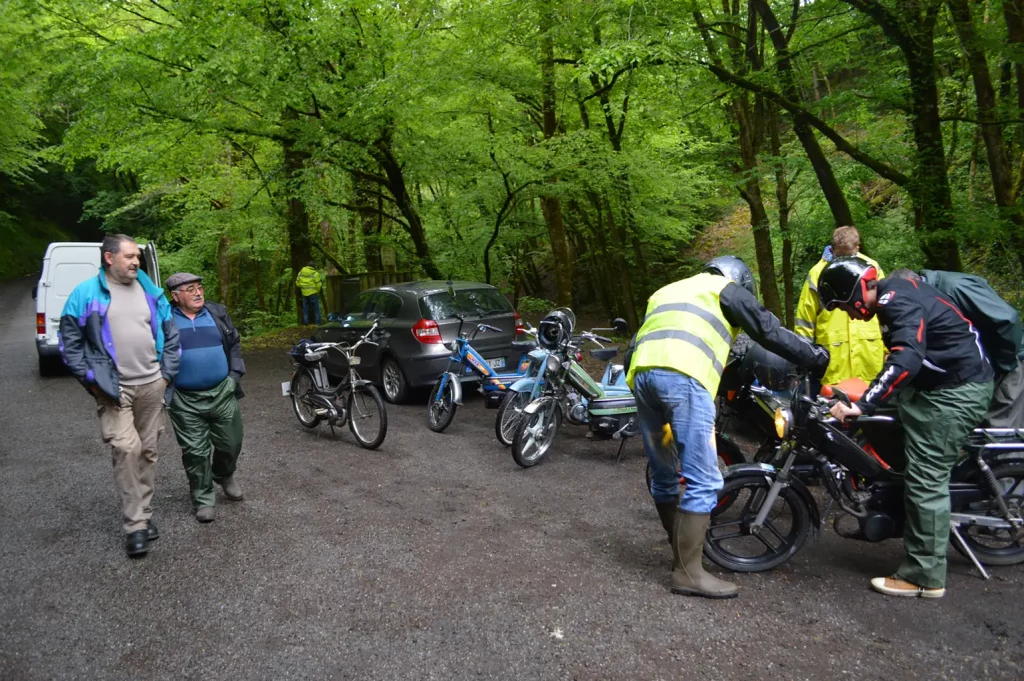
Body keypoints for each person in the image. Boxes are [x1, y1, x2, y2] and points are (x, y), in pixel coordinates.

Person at [627, 255, 830, 599]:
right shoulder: (725, 289)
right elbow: (766, 329)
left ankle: (679, 553)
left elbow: (644, 338)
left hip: (643, 377)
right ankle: (688, 572)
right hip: (683, 377)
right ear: (737, 278)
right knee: (704, 478)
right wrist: (812, 356)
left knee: (664, 472)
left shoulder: (667, 290)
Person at [819, 257, 994, 599]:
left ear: (856, 292)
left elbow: (907, 356)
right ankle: (896, 494)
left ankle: (924, 577)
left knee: (926, 478)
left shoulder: (895, 301)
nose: (848, 314)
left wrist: (863, 401)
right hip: (933, 385)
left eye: (843, 306)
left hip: (956, 391)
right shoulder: (895, 296)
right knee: (875, 421)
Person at [59, 234, 180, 558]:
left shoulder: (151, 292)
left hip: (153, 384)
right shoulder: (85, 294)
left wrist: (166, 374)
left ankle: (144, 514)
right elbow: (69, 345)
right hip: (114, 389)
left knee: (148, 450)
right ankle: (135, 526)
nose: (135, 261)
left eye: (137, 257)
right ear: (109, 258)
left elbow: (171, 336)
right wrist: (93, 383)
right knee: (126, 448)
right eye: (128, 256)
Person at [890, 268, 1023, 428]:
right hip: (977, 369)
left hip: (1011, 361)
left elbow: (1008, 320)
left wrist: (1004, 364)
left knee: (1000, 431)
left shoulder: (956, 288)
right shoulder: (924, 297)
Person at [165, 273, 247, 523]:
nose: (198, 293)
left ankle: (224, 474)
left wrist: (234, 376)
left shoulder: (216, 313)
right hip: (184, 398)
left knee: (231, 442)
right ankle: (203, 498)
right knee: (195, 452)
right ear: (175, 296)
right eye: (190, 289)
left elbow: (234, 343)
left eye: (199, 287)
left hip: (222, 391)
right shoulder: (164, 319)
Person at [794, 226, 886, 385]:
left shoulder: (871, 268)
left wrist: (888, 350)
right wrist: (803, 361)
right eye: (840, 255)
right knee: (833, 408)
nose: (844, 260)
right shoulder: (817, 273)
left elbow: (885, 309)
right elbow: (805, 321)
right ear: (833, 248)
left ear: (857, 247)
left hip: (870, 360)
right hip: (835, 364)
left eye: (849, 255)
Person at [295, 261, 324, 325]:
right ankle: (318, 323)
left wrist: (303, 288)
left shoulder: (301, 272)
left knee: (305, 308)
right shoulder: (315, 273)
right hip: (313, 293)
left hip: (304, 293)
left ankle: (306, 323)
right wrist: (317, 291)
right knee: (316, 308)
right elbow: (318, 284)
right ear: (313, 266)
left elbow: (297, 283)